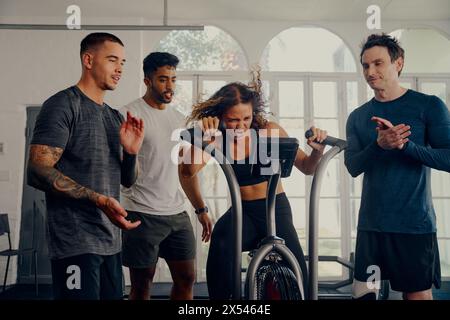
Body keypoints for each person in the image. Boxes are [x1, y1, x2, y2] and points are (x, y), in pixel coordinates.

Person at [180, 78, 328, 299]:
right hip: (243, 213)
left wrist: (317, 151)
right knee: (220, 243)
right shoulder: (218, 138)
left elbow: (308, 168)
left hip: (276, 211)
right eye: (233, 120)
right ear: (221, 116)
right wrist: (205, 140)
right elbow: (188, 171)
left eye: (246, 118)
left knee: (299, 275)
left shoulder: (270, 131)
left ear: (253, 113)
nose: (241, 126)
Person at [27, 33, 143, 300]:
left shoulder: (114, 116)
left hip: (110, 241)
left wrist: (131, 153)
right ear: (88, 60)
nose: (120, 69)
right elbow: (37, 170)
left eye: (123, 62)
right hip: (75, 241)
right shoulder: (63, 105)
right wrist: (98, 200)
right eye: (112, 60)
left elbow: (127, 180)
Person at [345, 33, 450, 300]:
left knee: (416, 296)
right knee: (365, 295)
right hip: (372, 226)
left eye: (378, 63)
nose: (371, 71)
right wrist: (379, 145)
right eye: (366, 65)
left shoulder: (429, 106)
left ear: (398, 63)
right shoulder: (357, 117)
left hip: (414, 226)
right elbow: (353, 166)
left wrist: (407, 146)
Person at [120, 52, 212, 300]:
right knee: (142, 286)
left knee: (187, 278)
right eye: (162, 79)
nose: (170, 86)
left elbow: (186, 170)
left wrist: (201, 209)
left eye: (173, 79)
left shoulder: (179, 119)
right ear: (147, 80)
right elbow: (120, 170)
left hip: (176, 213)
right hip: (141, 212)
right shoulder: (129, 114)